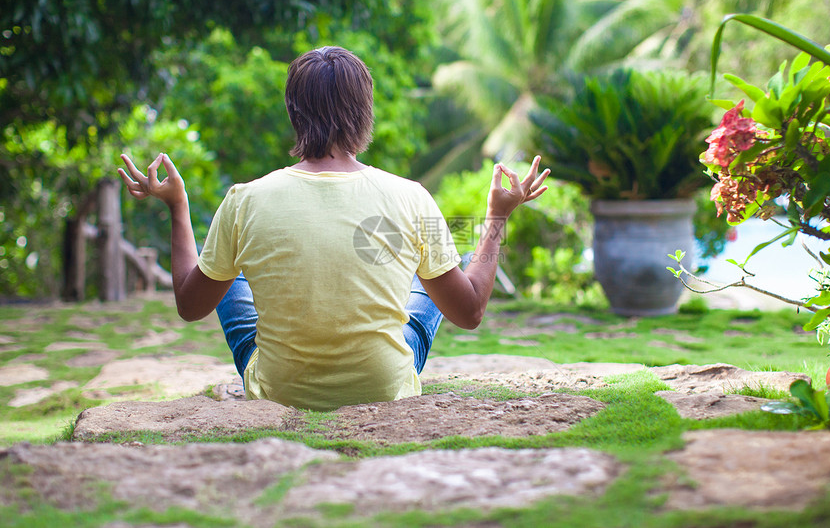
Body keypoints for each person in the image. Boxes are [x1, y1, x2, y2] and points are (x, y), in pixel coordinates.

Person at [118, 46, 549, 411]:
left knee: (224, 270)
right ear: (366, 112)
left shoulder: (244, 199)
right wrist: (496, 217)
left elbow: (190, 306)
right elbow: (469, 312)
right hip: (383, 388)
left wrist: (177, 206)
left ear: (293, 111)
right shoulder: (412, 196)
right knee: (439, 272)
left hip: (281, 391)